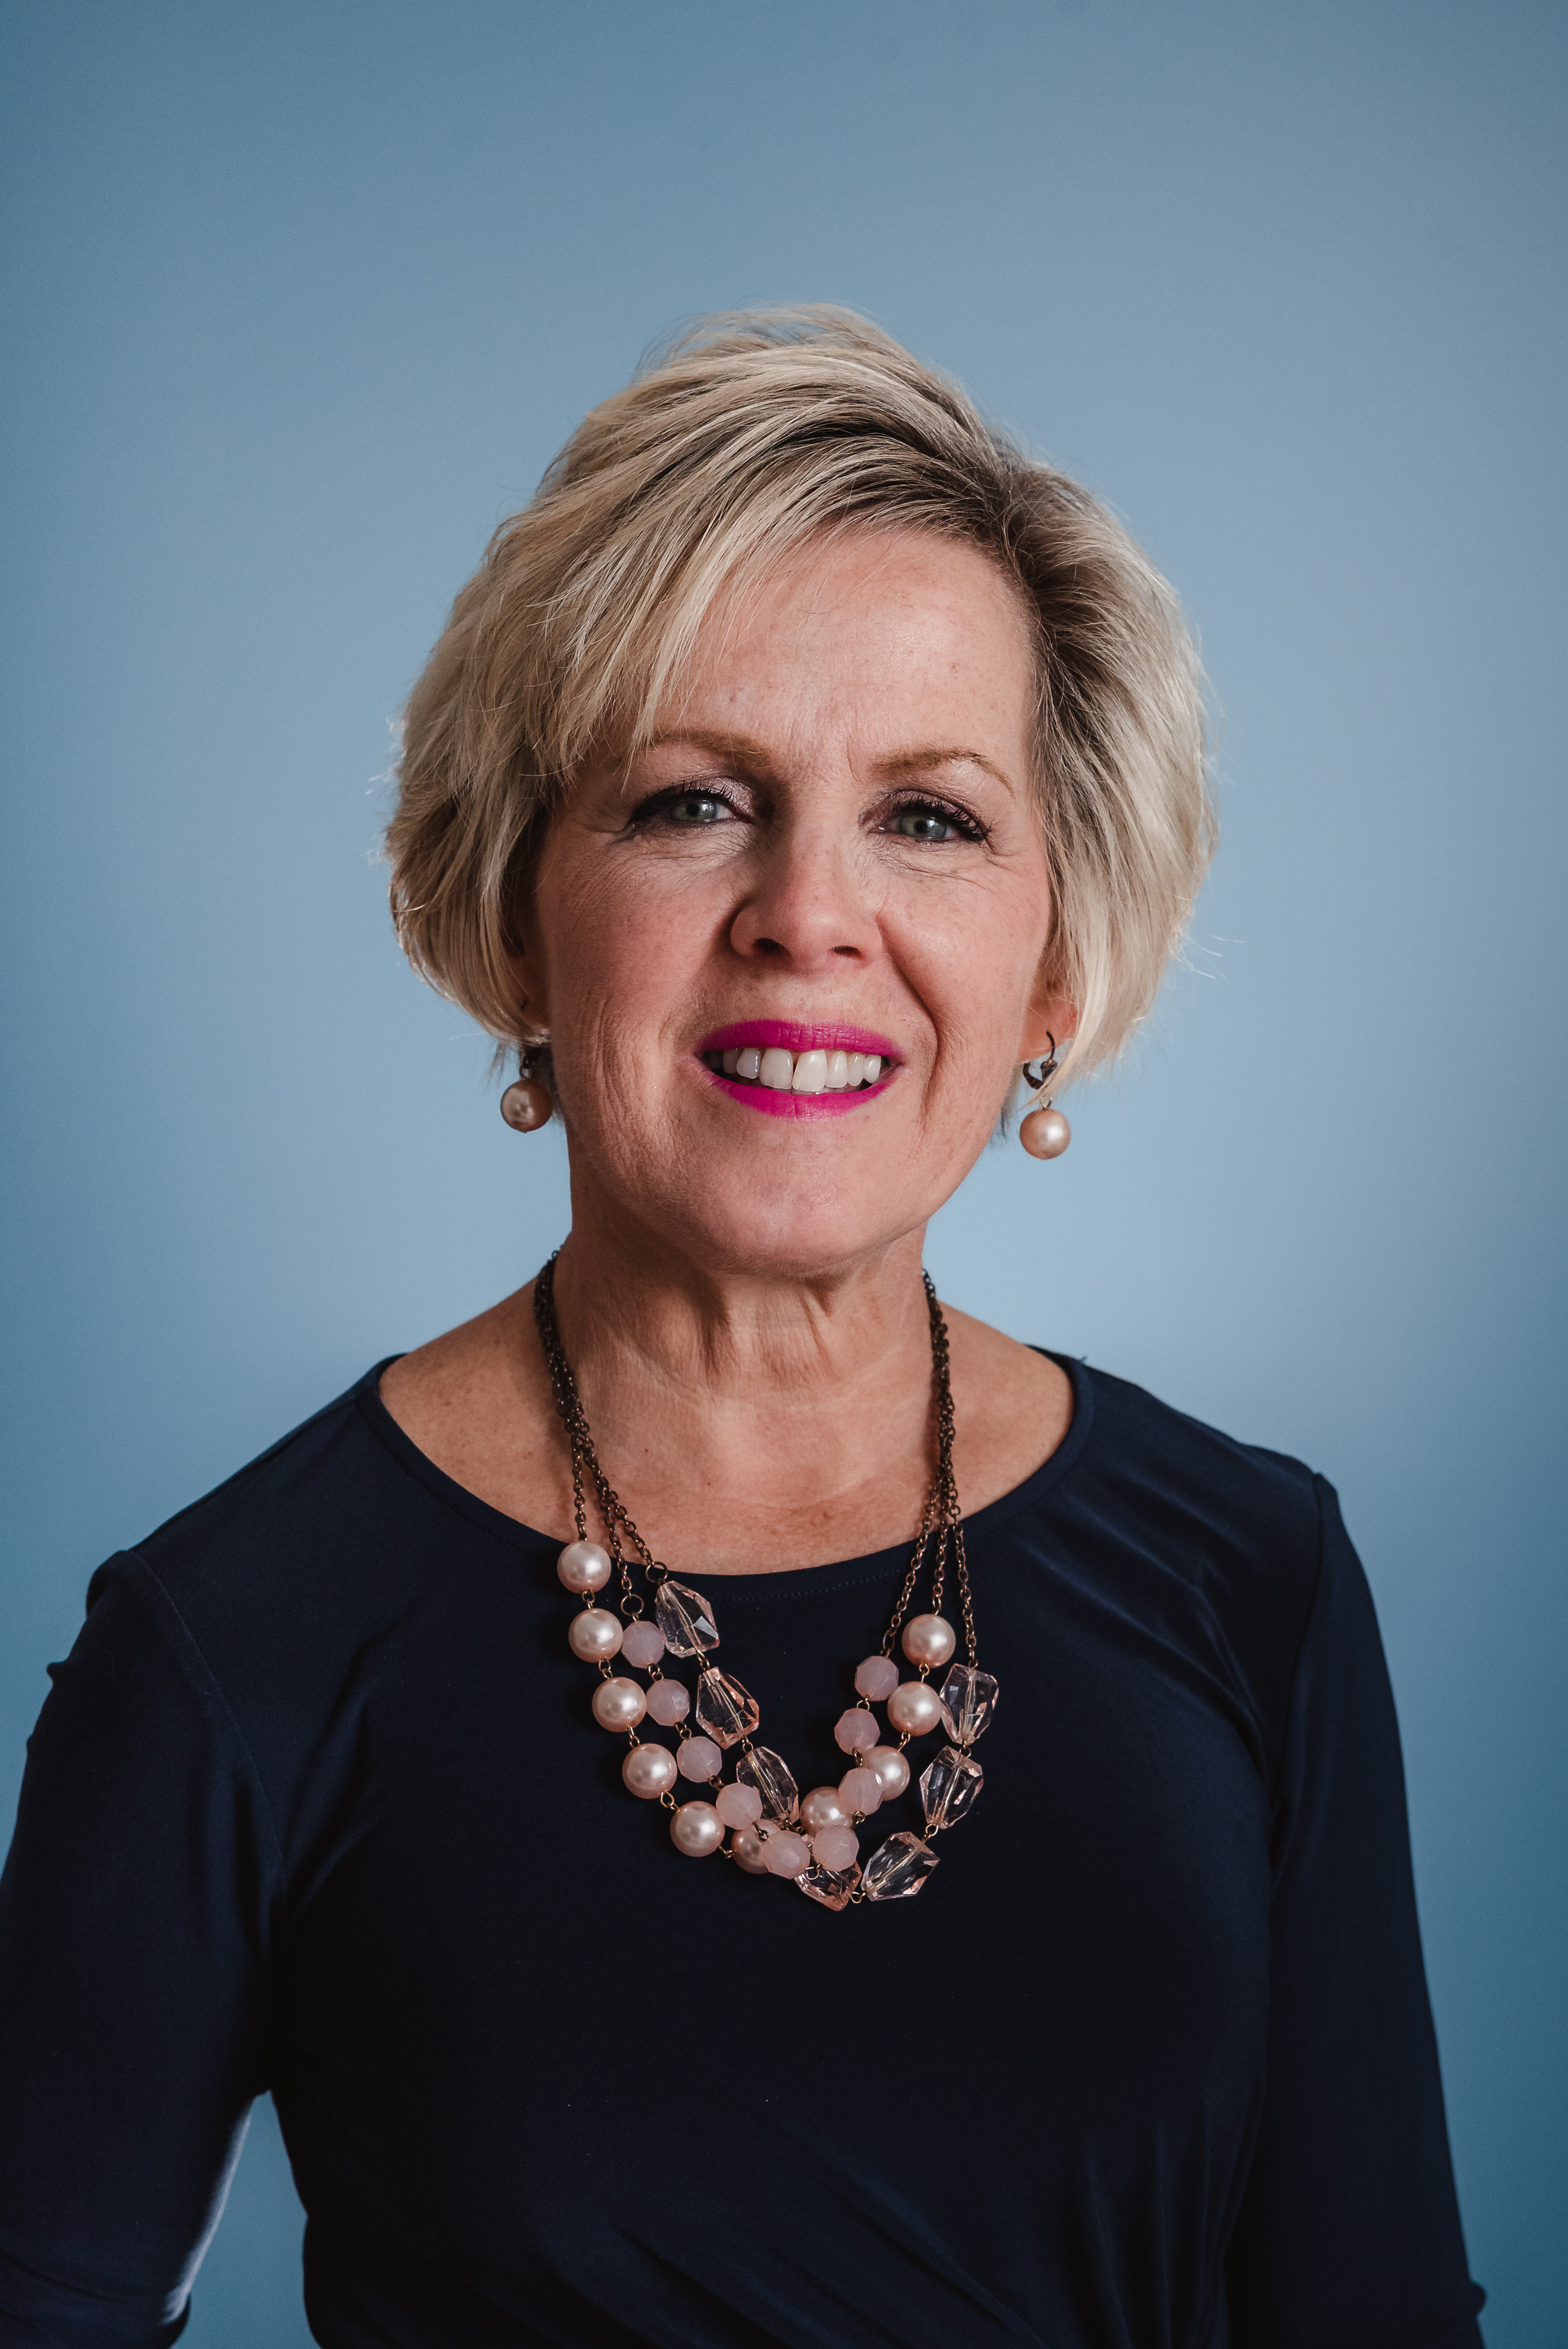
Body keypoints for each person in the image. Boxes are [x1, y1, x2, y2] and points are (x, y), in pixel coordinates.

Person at [0, 309, 1484, 2349]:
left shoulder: (1255, 1577)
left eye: (930, 817)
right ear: (520, 913)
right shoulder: (234, 1644)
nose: (809, 913)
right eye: (696, 800)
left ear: (1055, 963)